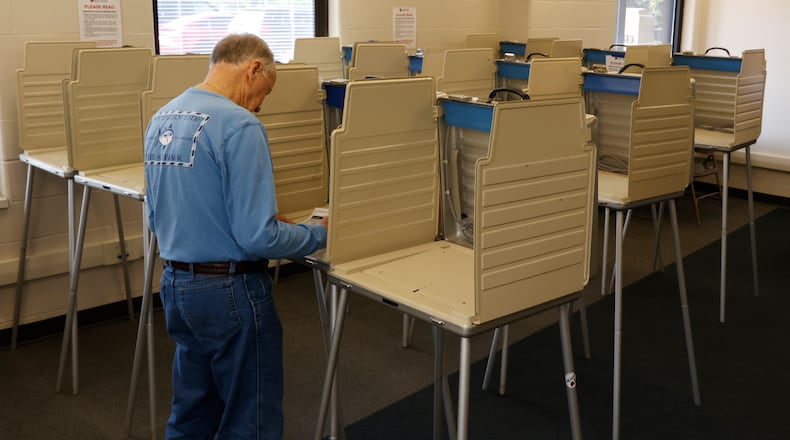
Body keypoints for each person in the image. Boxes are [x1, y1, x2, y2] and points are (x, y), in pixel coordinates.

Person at [143, 34, 327, 439]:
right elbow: (258, 237)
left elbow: (156, 215)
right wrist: (317, 234)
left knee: (191, 412)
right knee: (250, 419)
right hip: (231, 291)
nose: (261, 103)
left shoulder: (162, 117)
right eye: (266, 90)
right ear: (254, 68)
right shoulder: (241, 124)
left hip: (176, 286)